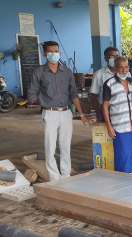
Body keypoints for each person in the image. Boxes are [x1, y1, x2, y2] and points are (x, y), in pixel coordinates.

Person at [28, 41, 89, 181]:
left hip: (67, 112)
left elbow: (74, 94)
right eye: (51, 52)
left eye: (56, 51)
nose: (54, 54)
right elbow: (31, 93)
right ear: (45, 54)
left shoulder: (66, 72)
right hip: (50, 113)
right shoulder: (39, 72)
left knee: (65, 145)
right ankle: (54, 178)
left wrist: (81, 114)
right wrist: (42, 101)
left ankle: (66, 174)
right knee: (50, 146)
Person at [102, 56, 132, 173]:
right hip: (120, 127)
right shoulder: (109, 84)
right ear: (116, 68)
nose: (124, 70)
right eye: (121, 67)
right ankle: (123, 185)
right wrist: (109, 126)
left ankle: (131, 185)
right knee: (123, 158)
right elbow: (105, 106)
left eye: (126, 67)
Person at [90, 47, 119, 122]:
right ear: (106, 58)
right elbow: (93, 96)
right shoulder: (99, 74)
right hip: (106, 112)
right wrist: (98, 112)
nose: (115, 59)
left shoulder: (125, 73)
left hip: (121, 111)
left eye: (117, 56)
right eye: (112, 56)